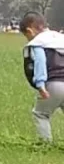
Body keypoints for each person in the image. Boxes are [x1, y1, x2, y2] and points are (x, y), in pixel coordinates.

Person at [20, 12, 64, 143]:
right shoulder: (60, 38)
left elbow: (40, 63)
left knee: (41, 114)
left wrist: (40, 85)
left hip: (54, 84)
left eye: (26, 36)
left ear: (30, 31)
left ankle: (46, 144)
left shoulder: (38, 43)